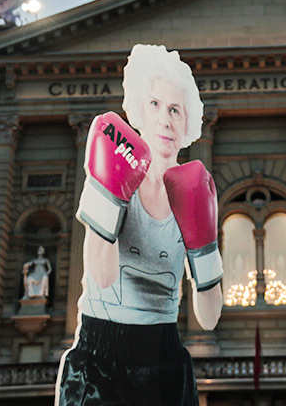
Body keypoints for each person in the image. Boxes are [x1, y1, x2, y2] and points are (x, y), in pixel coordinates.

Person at [56, 44, 223, 406]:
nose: (165, 119)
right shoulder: (111, 174)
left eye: (175, 109)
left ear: (187, 122)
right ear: (139, 112)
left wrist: (203, 246)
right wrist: (111, 196)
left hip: (164, 354)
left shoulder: (196, 191)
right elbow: (101, 276)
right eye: (155, 105)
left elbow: (208, 319)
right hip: (100, 352)